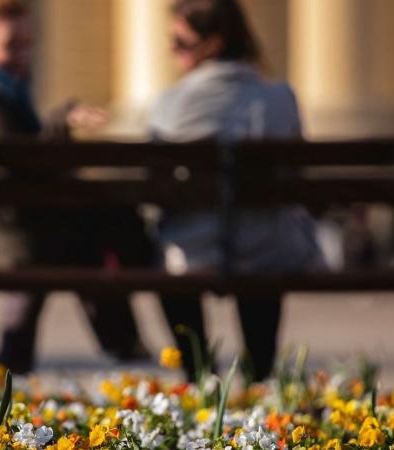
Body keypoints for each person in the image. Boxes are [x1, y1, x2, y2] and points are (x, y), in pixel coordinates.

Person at [0, 0, 151, 373]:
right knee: (101, 233)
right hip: (0, 231)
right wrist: (62, 125)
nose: (24, 55)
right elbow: (31, 169)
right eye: (12, 46)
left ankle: (16, 353)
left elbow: (26, 159)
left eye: (28, 44)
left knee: (96, 230)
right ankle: (122, 340)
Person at [148, 0, 324, 382]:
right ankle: (259, 373)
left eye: (180, 43)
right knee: (263, 238)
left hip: (189, 253)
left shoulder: (169, 104)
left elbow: (154, 183)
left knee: (170, 260)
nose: (172, 52)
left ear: (212, 44)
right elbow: (298, 175)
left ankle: (198, 375)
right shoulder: (281, 99)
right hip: (269, 249)